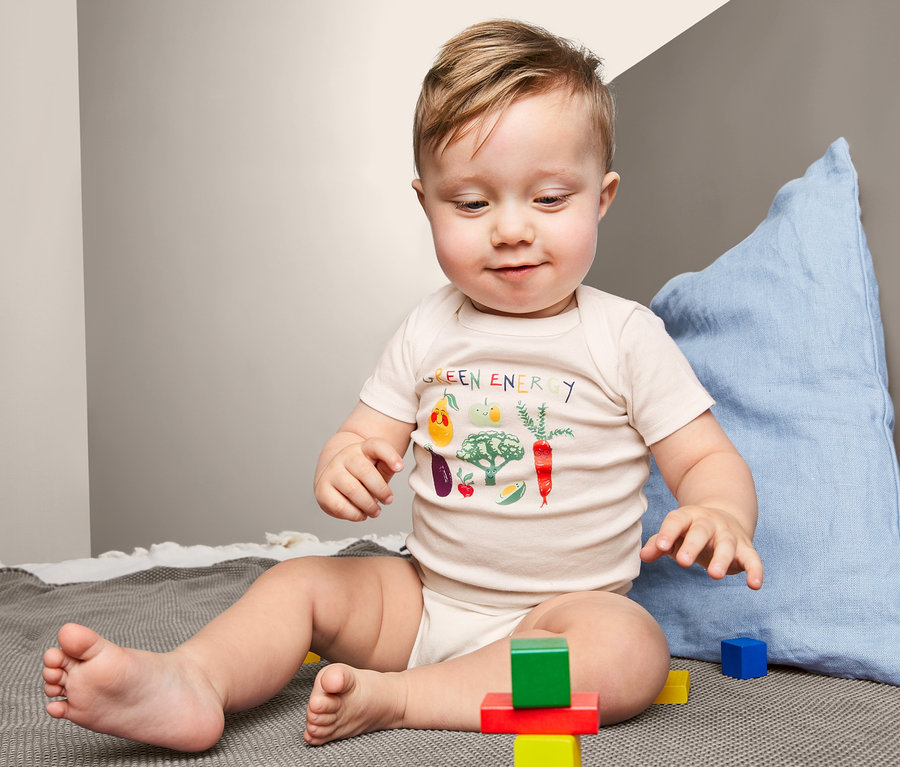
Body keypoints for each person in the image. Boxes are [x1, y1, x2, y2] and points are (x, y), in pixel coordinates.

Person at [41, 19, 763, 751]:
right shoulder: (429, 327)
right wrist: (343, 464)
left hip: (559, 615)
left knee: (630, 648)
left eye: (548, 199)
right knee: (301, 582)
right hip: (423, 601)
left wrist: (720, 512)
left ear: (600, 198)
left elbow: (707, 458)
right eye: (473, 204)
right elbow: (364, 433)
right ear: (427, 204)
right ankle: (192, 679)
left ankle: (401, 699)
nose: (511, 229)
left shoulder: (624, 335)